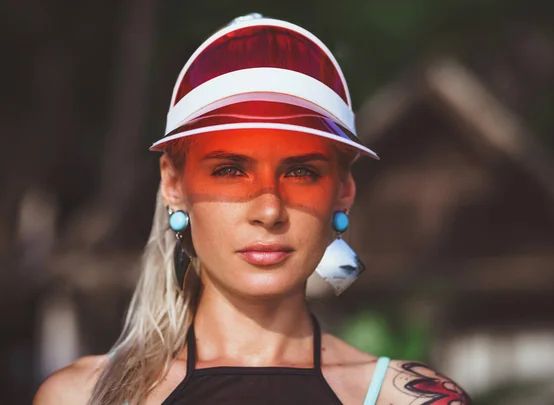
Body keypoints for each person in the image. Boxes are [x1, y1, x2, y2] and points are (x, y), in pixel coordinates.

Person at [34, 14, 470, 405]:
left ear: (343, 190)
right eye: (229, 169)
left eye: (300, 172)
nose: (268, 208)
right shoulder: (81, 397)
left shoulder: (411, 400)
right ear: (173, 184)